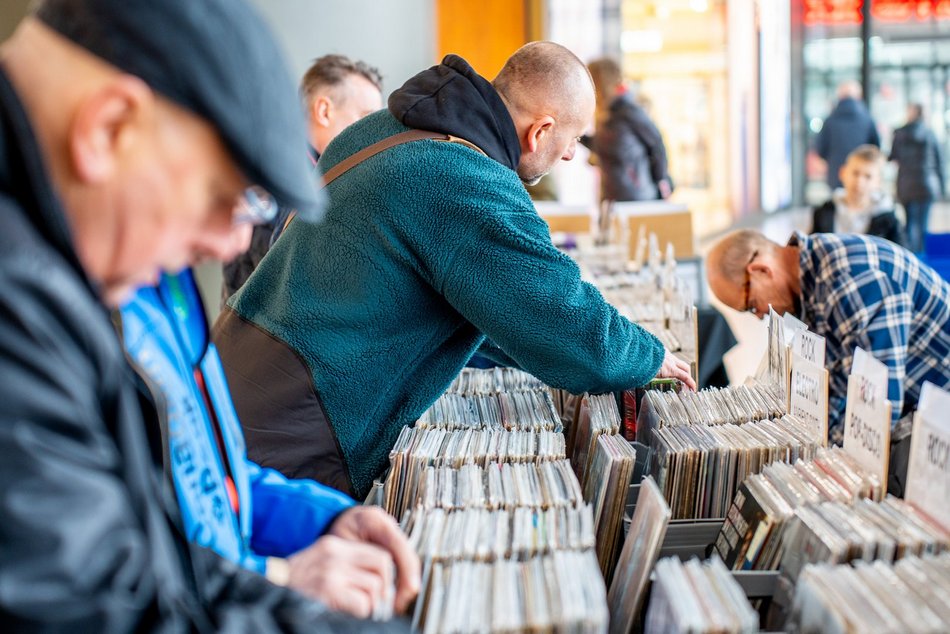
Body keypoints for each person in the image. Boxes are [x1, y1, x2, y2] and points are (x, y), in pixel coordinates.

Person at [0, 0, 405, 630]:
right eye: (228, 198)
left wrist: (318, 521)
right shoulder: (27, 300)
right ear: (109, 128)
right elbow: (100, 605)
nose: (233, 245)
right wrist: (283, 587)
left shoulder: (130, 260)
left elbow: (189, 484)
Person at [213, 42, 696, 500]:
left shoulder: (382, 128)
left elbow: (488, 308)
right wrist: (644, 357)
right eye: (571, 141)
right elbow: (551, 307)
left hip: (233, 370)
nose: (572, 155)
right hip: (300, 419)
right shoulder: (464, 177)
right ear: (541, 131)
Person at [121, 266, 419, 618]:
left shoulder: (167, 279)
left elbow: (216, 482)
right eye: (240, 207)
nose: (238, 244)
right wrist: (277, 579)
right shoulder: (91, 309)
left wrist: (327, 520)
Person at [706, 229, 950, 444]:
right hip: (919, 404)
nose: (760, 316)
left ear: (761, 270)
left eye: (751, 305)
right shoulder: (812, 279)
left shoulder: (847, 280)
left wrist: (815, 456)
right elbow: (838, 387)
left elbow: (877, 412)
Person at [222, 55, 383, 301]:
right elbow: (290, 274)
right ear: (324, 111)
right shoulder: (278, 176)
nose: (373, 136)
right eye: (365, 119)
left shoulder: (312, 174)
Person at [582, 57, 672, 202]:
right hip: (611, 197)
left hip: (637, 198)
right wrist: (575, 135)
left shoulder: (629, 111)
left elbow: (657, 145)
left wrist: (660, 181)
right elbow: (604, 146)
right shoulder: (606, 114)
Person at [811, 144, 906, 248]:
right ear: (842, 173)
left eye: (868, 176)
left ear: (878, 182)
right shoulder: (824, 212)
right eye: (855, 173)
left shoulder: (889, 221)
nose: (859, 182)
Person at [889, 103, 946, 254]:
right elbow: (939, 161)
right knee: (923, 225)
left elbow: (893, 157)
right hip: (927, 184)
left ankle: (910, 257)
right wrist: (942, 185)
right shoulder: (930, 134)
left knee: (910, 224)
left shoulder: (899, 133)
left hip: (906, 185)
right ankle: (922, 257)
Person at [815, 80, 880, 190]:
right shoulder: (867, 120)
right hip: (862, 177)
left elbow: (821, 149)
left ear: (840, 97)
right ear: (858, 96)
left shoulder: (830, 121)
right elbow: (875, 148)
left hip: (837, 174)